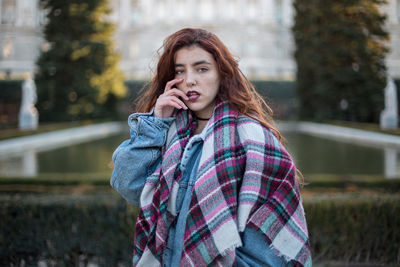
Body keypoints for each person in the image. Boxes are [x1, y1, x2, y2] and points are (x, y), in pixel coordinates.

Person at [111, 28, 311, 267]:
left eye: (202, 69)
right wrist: (156, 123)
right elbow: (126, 183)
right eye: (179, 71)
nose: (189, 80)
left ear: (222, 74)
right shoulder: (169, 133)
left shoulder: (254, 138)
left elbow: (267, 249)